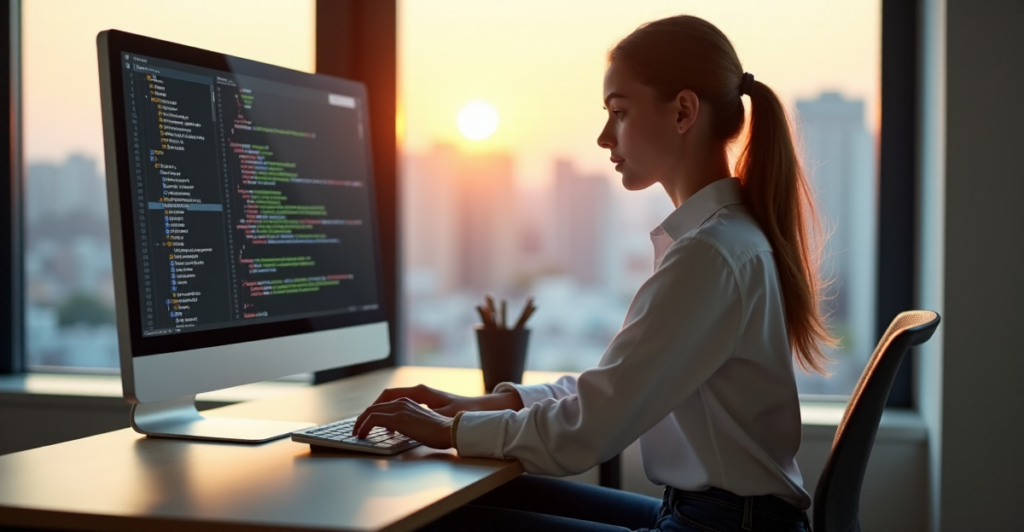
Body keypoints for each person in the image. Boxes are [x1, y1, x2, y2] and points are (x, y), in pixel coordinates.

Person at [352, 14, 835, 532]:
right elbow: (611, 389)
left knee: (440, 519)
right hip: (711, 515)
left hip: (719, 526)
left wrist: (453, 430)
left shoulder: (710, 255)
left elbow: (588, 430)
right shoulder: (721, 240)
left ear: (683, 112)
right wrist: (483, 404)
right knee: (466, 500)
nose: (605, 136)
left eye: (619, 112)